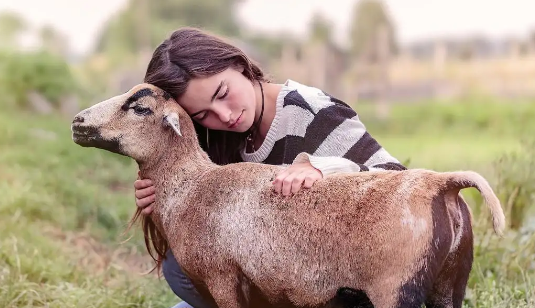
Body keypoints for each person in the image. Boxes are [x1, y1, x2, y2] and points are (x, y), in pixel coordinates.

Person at [134, 27, 406, 308]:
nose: (225, 116)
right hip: (268, 273)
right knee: (176, 268)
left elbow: (399, 179)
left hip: (334, 280)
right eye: (203, 115)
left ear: (238, 65)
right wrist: (165, 200)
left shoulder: (311, 113)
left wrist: (323, 169)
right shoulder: (214, 137)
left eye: (223, 93)